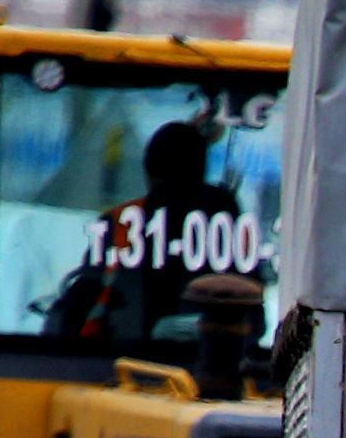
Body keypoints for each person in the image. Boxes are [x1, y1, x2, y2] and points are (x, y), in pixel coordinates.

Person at [51, 121, 246, 344]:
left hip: (126, 359)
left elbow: (72, 318)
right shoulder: (226, 231)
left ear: (149, 174)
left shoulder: (120, 225)